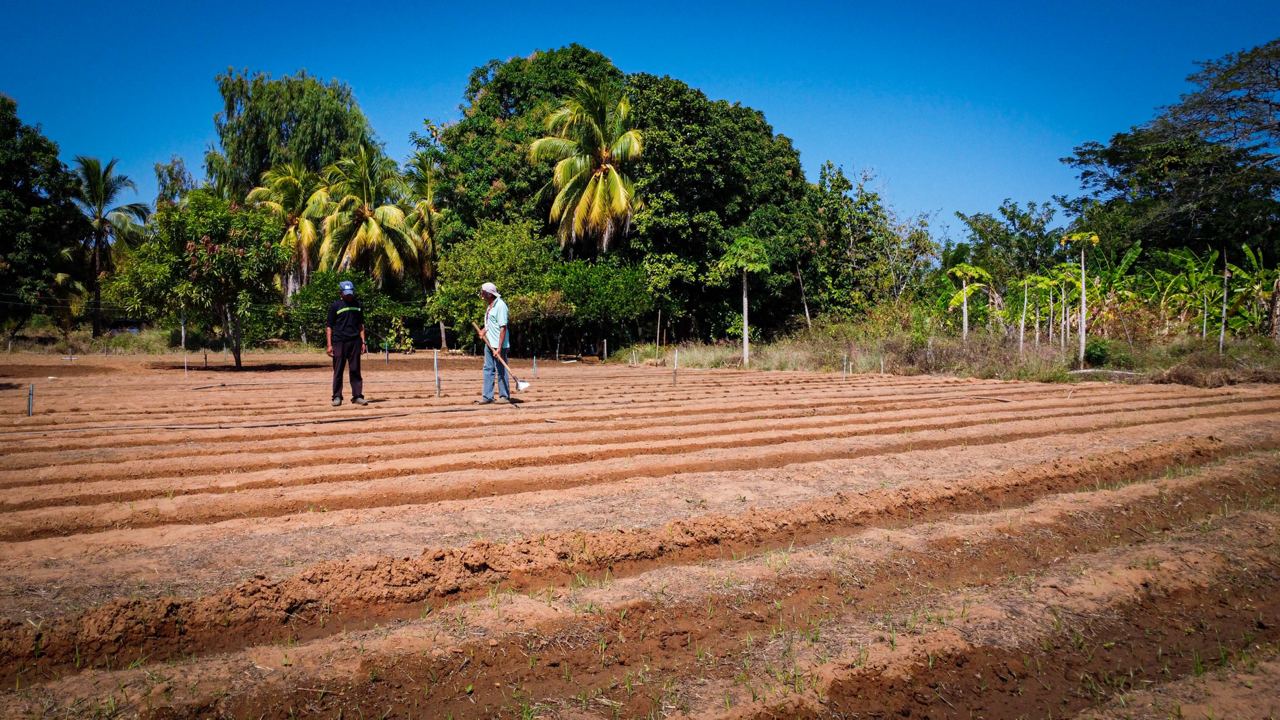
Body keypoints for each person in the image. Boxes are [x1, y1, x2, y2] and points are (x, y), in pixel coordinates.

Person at [327, 280, 368, 406]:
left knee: (355, 370)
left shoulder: (358, 305)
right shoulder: (335, 306)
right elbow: (329, 326)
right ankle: (337, 397)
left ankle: (357, 396)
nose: (349, 296)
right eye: (346, 293)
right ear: (341, 293)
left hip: (355, 342)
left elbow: (361, 325)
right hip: (339, 342)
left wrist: (363, 342)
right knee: (338, 370)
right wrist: (329, 345)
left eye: (351, 293)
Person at [476, 281, 510, 404]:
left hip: (500, 345)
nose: (482, 294)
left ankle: (504, 396)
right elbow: (490, 324)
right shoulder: (490, 306)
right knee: (488, 369)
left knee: (501, 370)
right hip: (489, 343)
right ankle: (487, 397)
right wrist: (483, 331)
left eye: (483, 292)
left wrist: (499, 348)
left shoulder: (500, 306)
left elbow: (503, 327)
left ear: (490, 294)